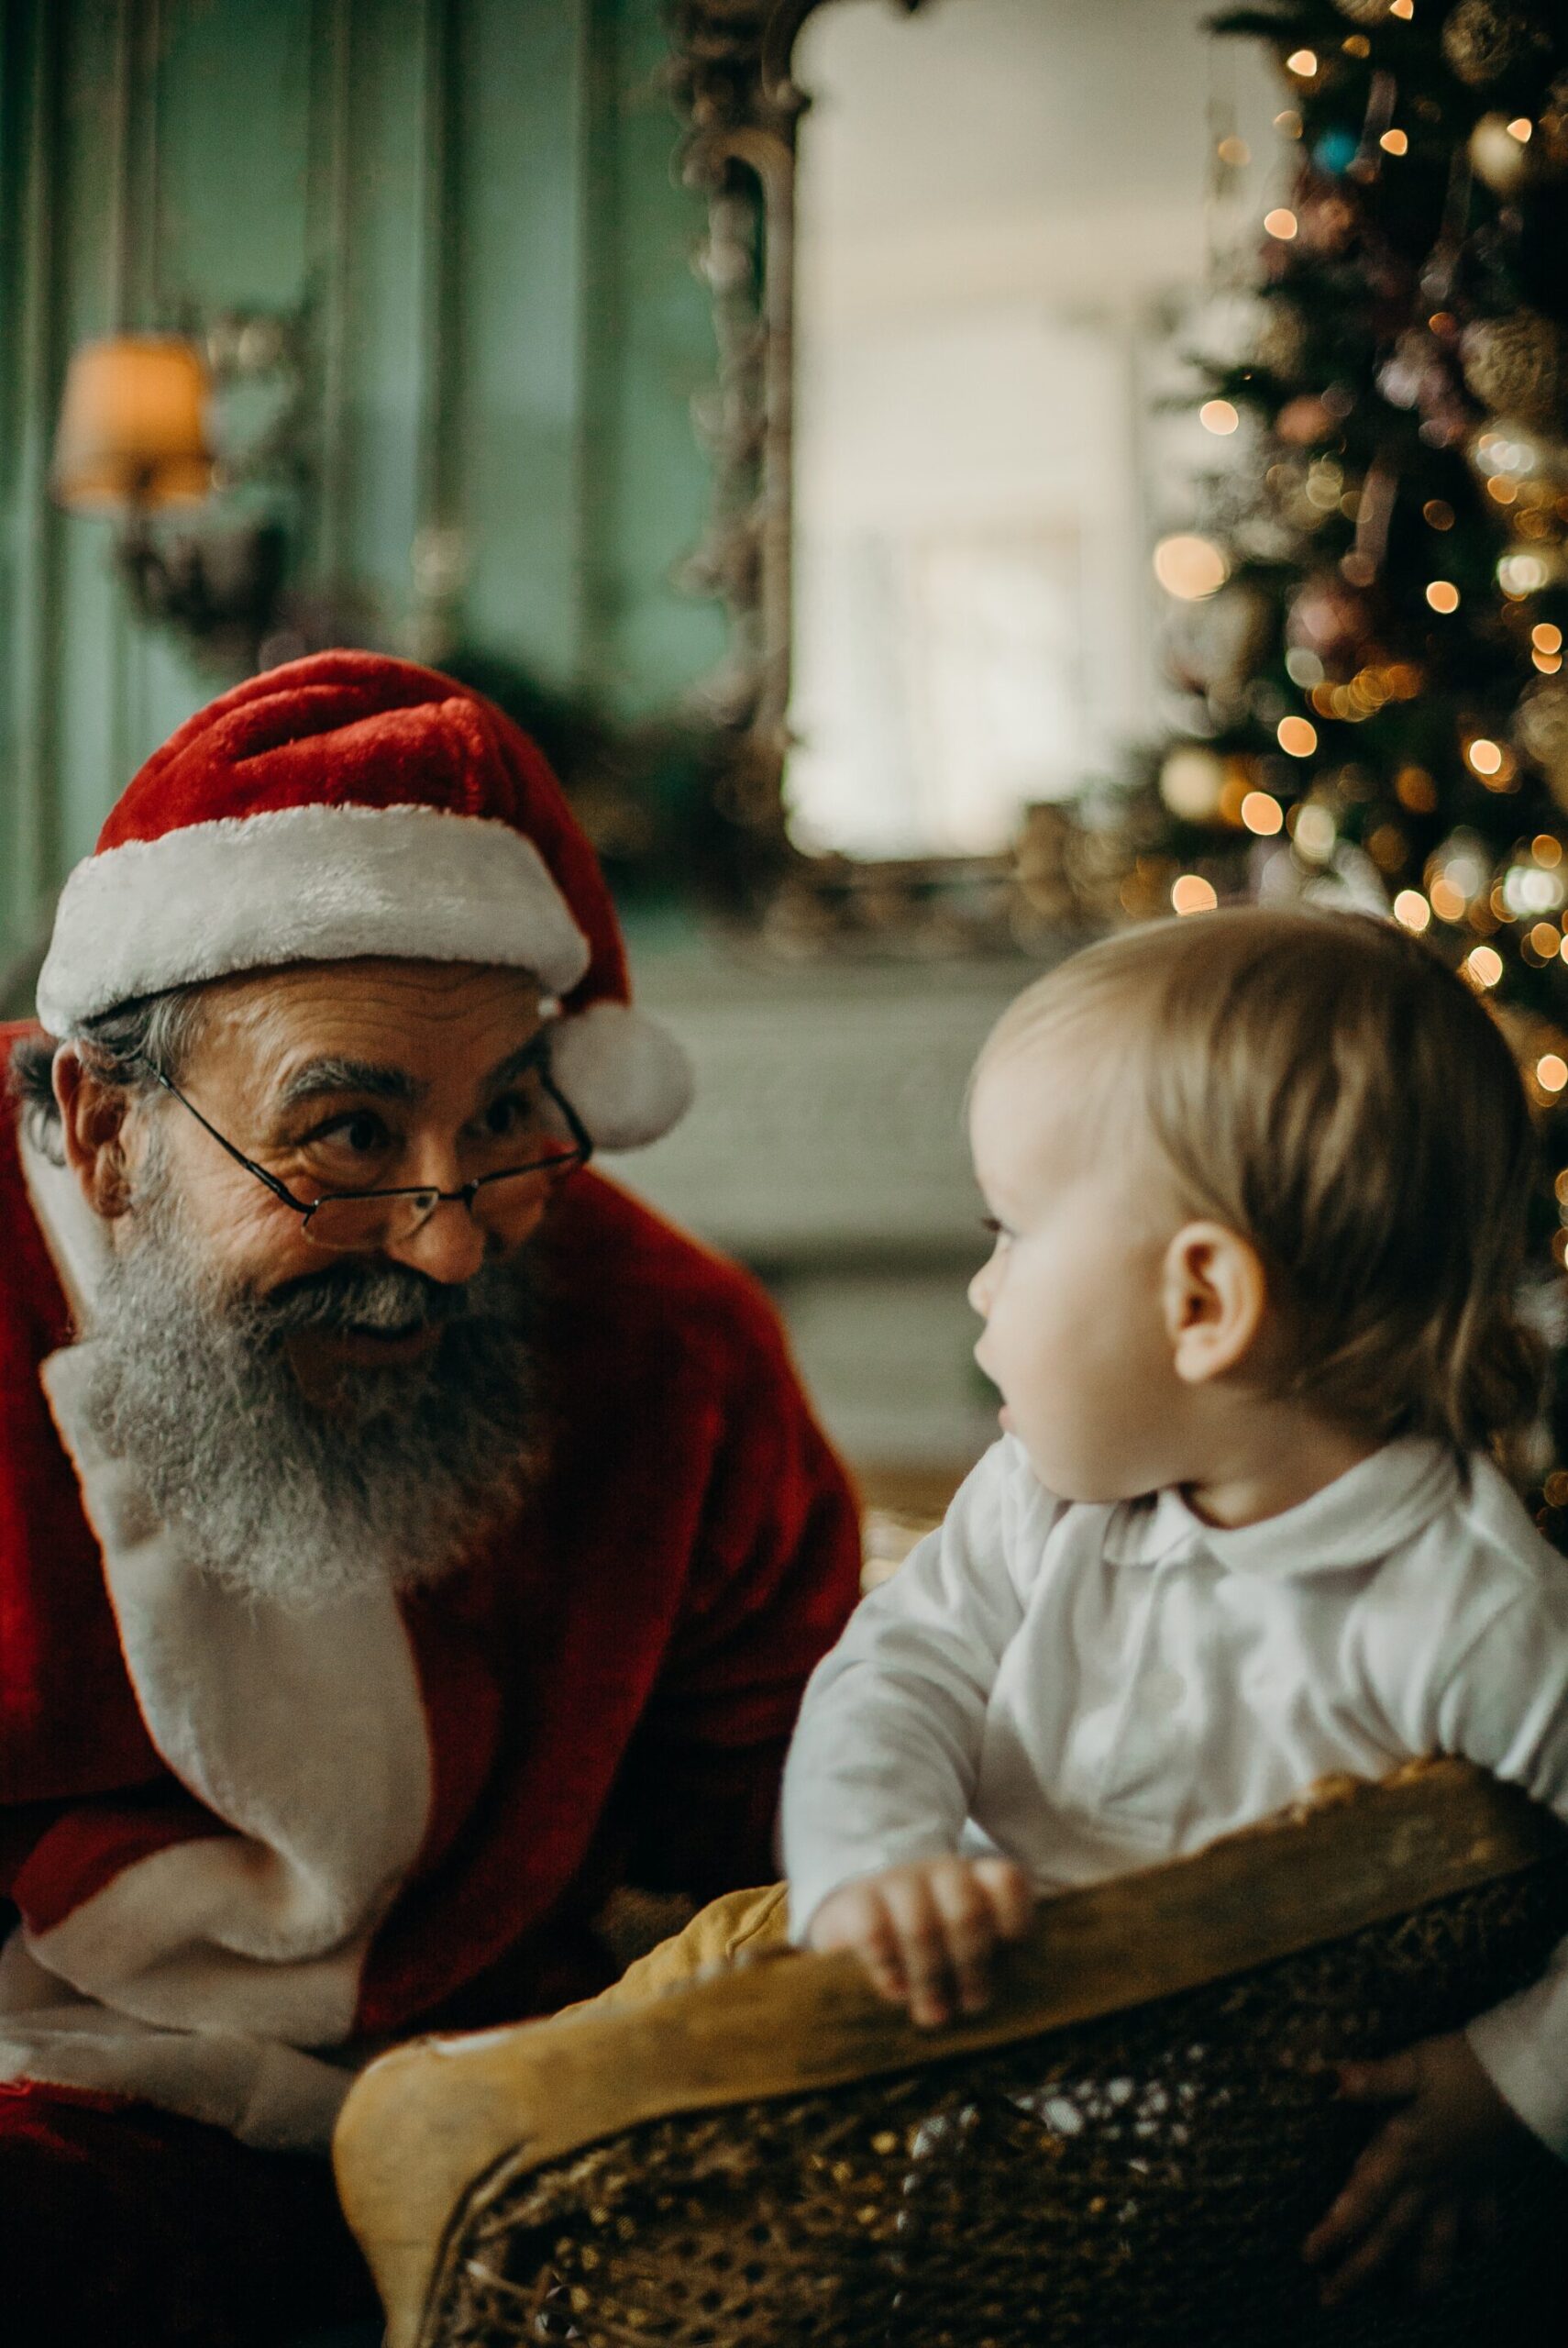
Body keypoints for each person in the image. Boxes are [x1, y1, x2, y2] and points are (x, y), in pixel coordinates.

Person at [0, 650, 862, 2347]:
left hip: (490, 2143)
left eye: (511, 1123)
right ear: (105, 1131)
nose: (451, 1237)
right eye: (345, 1135)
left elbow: (818, 1812)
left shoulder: (672, 1357)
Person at [605, 907, 1568, 2309]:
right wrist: (876, 1860)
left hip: (1242, 2196)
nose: (983, 1288)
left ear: (1201, 1302)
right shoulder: (1034, 1503)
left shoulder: (1470, 1611)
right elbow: (894, 1677)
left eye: (1008, 1233)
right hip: (958, 2076)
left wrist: (1508, 2086)